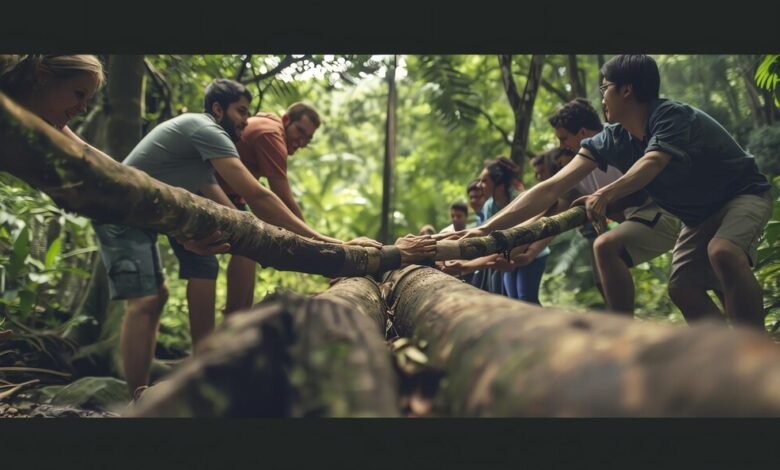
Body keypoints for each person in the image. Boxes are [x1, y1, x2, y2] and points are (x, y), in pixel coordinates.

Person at [91, 78, 410, 397]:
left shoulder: (202, 152)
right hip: (121, 209)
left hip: (148, 214)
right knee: (146, 300)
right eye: (241, 111)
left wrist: (253, 235)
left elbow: (230, 208)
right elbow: (260, 195)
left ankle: (186, 373)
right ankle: (138, 395)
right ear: (218, 110)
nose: (247, 119)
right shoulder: (210, 131)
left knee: (170, 288)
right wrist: (329, 244)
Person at [452, 55, 772, 329]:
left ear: (626, 89)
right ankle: (724, 357)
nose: (602, 97)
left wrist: (606, 194)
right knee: (683, 287)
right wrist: (484, 229)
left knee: (723, 252)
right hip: (697, 217)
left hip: (742, 195)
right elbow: (551, 187)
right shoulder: (612, 139)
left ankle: (757, 355)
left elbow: (653, 162)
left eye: (604, 88)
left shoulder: (670, 116)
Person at [545, 98, 682, 314]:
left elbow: (640, 192)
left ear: (582, 133)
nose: (561, 146)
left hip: (667, 213)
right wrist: (516, 244)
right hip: (644, 221)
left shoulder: (619, 142)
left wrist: (605, 202)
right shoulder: (579, 167)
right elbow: (550, 204)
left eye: (564, 139)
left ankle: (623, 328)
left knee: (606, 246)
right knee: (686, 288)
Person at [216, 103, 321, 314]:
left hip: (230, 194)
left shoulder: (267, 127)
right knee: (206, 267)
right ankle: (233, 319)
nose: (301, 142)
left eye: (307, 139)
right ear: (285, 120)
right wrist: (317, 242)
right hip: (208, 188)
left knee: (249, 244)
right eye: (300, 131)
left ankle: (237, 316)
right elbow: (283, 198)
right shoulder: (271, 134)